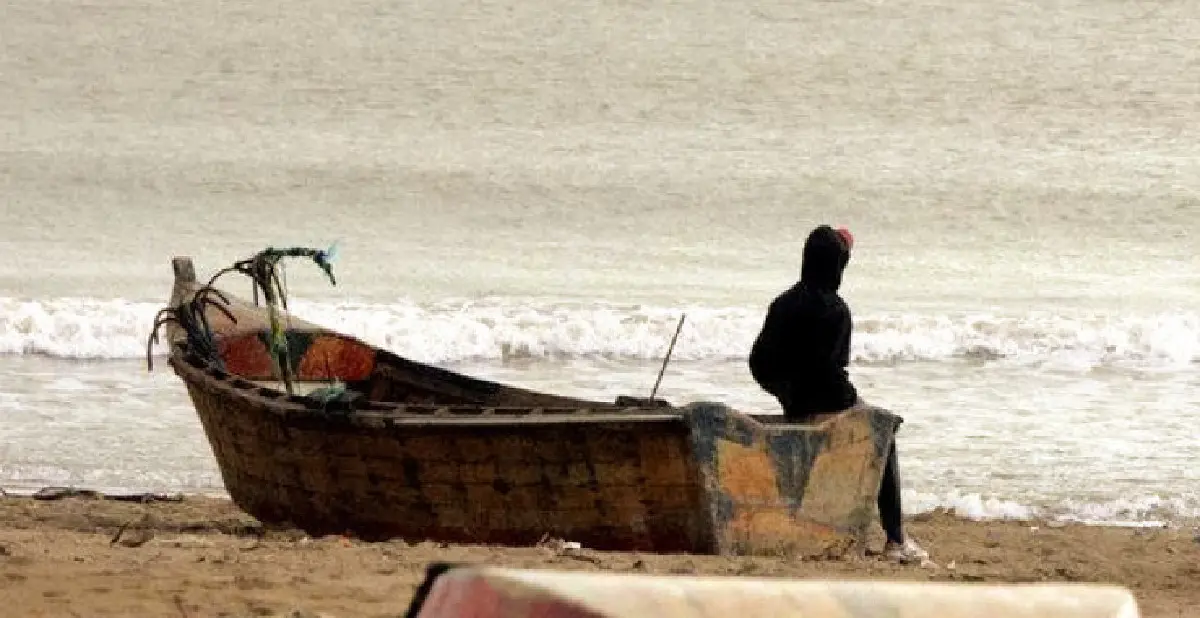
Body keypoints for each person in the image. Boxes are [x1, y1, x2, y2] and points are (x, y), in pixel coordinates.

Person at [748, 224, 929, 564]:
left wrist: (786, 394)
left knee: (876, 423)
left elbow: (759, 362)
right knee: (884, 435)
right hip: (826, 405)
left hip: (795, 404)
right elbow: (831, 374)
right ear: (837, 268)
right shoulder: (836, 311)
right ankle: (895, 540)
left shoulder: (783, 304)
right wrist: (860, 406)